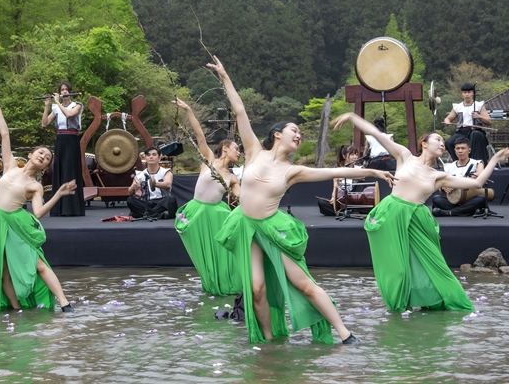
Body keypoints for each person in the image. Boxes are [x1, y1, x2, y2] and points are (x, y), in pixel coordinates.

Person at [210, 57, 395, 345]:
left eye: (300, 132)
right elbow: (240, 110)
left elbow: (334, 170)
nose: (299, 135)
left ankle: (345, 334)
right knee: (256, 289)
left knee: (304, 285)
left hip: (272, 228)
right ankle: (269, 342)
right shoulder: (254, 152)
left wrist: (372, 170)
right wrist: (224, 77)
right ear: (277, 135)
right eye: (294, 131)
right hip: (246, 227)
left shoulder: (293, 170)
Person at [332, 112, 509, 313]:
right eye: (438, 139)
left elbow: (477, 183)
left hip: (417, 218)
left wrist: (495, 158)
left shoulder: (439, 176)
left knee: (435, 265)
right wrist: (351, 116)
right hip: (392, 213)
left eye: (444, 141)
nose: (442, 143)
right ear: (424, 144)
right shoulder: (404, 156)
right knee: (399, 268)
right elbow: (375, 133)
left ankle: (450, 302)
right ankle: (400, 305)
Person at [0, 98, 76, 313]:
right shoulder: (10, 165)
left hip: (16, 224)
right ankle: (16, 310)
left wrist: (57, 194)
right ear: (30, 155)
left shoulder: (35, 186)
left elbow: (38, 213)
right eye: (41, 152)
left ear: (45, 166)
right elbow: (5, 135)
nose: (43, 156)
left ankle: (65, 303)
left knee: (38, 264)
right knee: (2, 272)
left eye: (47, 157)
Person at [172, 98, 242, 296]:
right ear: (225, 148)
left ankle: (228, 285)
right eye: (237, 148)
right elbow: (199, 135)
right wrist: (189, 110)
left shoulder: (233, 178)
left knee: (222, 254)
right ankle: (210, 282)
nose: (239, 152)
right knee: (204, 254)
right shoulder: (209, 160)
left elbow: (243, 200)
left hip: (218, 216)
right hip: (197, 212)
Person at [40, 81, 85, 217]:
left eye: (66, 89)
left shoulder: (77, 105)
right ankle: (58, 207)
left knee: (70, 170)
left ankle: (72, 208)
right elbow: (44, 123)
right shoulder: (55, 107)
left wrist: (58, 103)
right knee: (59, 170)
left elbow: (70, 115)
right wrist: (47, 106)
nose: (64, 91)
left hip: (72, 139)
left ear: (70, 91)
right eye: (62, 90)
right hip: (60, 139)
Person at [430, 136, 487, 217]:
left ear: (469, 150)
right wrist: (444, 187)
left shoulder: (477, 163)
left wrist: (456, 183)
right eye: (458, 148)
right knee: (436, 198)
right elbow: (441, 188)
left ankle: (448, 212)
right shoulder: (449, 167)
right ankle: (466, 211)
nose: (460, 151)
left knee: (481, 199)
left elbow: (480, 175)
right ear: (455, 150)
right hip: (453, 200)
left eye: (463, 148)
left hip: (470, 198)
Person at [443, 83, 491, 163]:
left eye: (469, 92)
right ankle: (460, 162)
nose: (467, 94)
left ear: (472, 93)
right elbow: (448, 118)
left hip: (476, 130)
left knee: (475, 135)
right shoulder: (458, 107)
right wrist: (447, 121)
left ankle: (477, 163)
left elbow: (488, 121)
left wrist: (479, 116)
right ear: (462, 94)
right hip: (462, 132)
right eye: (465, 92)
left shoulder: (479, 105)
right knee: (449, 142)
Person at [127, 146, 177, 219]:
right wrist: (134, 187)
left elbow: (168, 184)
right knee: (130, 200)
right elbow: (130, 192)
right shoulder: (139, 175)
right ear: (145, 158)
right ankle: (158, 215)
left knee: (171, 199)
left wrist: (154, 183)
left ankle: (146, 214)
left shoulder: (166, 172)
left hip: (161, 202)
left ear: (159, 158)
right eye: (148, 155)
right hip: (146, 202)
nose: (151, 157)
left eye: (154, 155)